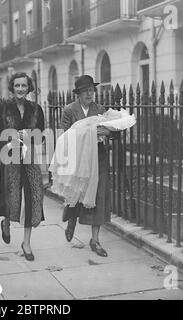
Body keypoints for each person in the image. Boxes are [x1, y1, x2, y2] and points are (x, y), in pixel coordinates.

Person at [60, 75, 119, 258]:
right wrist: (87, 134)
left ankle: (95, 240)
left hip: (98, 159)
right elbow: (66, 136)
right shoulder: (69, 110)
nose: (89, 93)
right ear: (78, 93)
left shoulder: (100, 110)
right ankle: (71, 220)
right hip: (78, 160)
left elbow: (116, 132)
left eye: (91, 90)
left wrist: (107, 132)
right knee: (77, 195)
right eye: (85, 91)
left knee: (98, 197)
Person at [0, 72, 45, 262]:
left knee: (33, 196)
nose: (21, 89)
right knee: (10, 195)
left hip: (30, 158)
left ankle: (26, 243)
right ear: (12, 88)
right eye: (17, 86)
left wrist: (29, 136)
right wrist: (9, 141)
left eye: (24, 86)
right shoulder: (2, 107)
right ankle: (6, 223)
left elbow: (41, 135)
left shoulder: (36, 109)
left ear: (29, 88)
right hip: (10, 156)